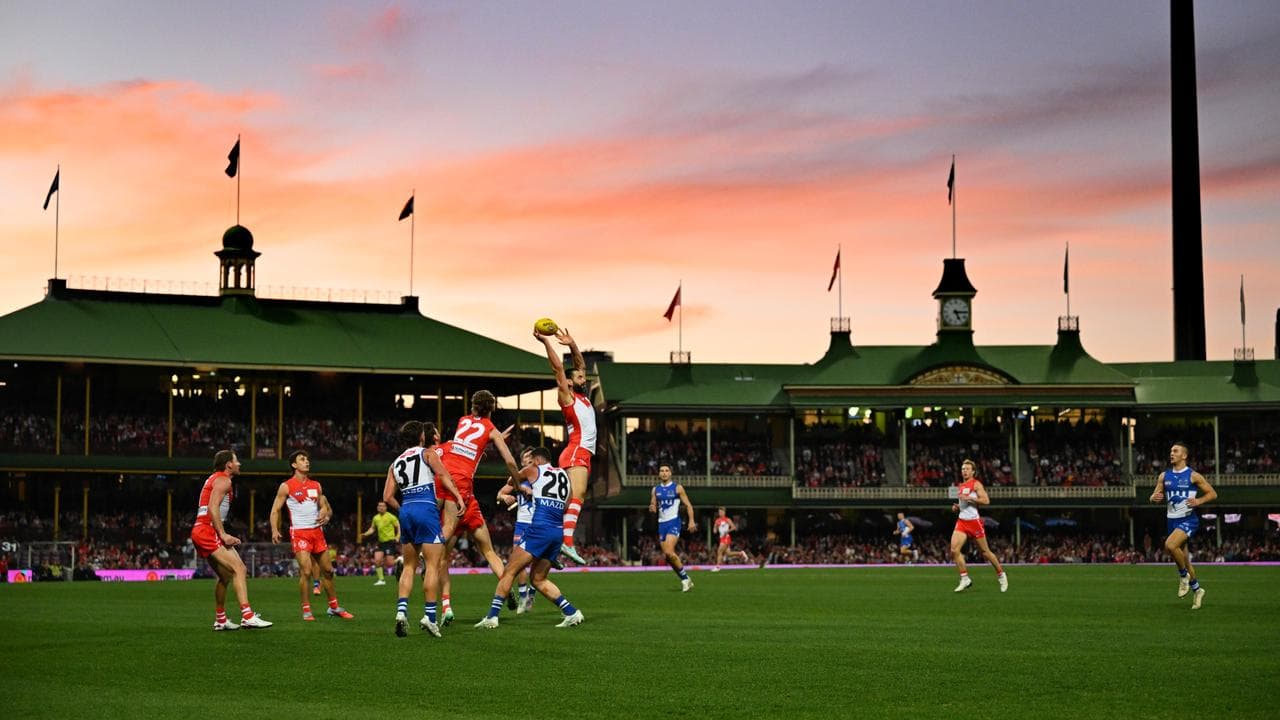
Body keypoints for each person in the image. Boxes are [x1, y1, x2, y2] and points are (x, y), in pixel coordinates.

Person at [433, 391, 522, 624]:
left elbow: (468, 444)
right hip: (465, 490)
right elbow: (510, 461)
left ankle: (446, 608)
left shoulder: (463, 421)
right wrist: (518, 484)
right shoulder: (490, 428)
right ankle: (506, 587)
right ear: (491, 409)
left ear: (472, 407)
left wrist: (495, 437)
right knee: (489, 551)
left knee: (443, 559)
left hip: (450, 485)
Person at [475, 446, 585, 629]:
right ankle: (572, 612)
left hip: (539, 529)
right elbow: (567, 504)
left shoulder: (533, 469)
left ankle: (492, 617)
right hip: (557, 532)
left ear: (537, 460)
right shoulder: (564, 476)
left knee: (509, 571)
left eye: (532, 461)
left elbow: (513, 479)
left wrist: (523, 486)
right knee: (539, 579)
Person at [384, 421, 463, 637]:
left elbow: (387, 497)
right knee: (432, 565)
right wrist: (457, 497)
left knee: (409, 566)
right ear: (421, 436)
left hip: (407, 510)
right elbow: (444, 477)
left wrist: (403, 509)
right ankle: (429, 617)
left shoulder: (395, 462)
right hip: (426, 508)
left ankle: (401, 612)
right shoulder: (427, 453)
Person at [189, 450, 271, 630]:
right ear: (228, 465)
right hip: (208, 530)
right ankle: (247, 616)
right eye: (237, 461)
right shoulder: (224, 480)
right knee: (240, 569)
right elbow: (213, 507)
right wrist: (223, 534)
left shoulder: (214, 479)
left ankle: (220, 619)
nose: (240, 464)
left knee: (225, 576)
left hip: (200, 529)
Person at [535, 328, 596, 564]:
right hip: (575, 451)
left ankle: (551, 548)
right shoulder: (567, 397)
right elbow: (558, 369)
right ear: (569, 382)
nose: (584, 378)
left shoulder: (583, 396)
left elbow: (578, 364)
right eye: (579, 377)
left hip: (582, 453)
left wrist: (573, 345)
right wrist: (546, 342)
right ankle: (567, 543)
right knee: (578, 495)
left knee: (567, 502)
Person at [269, 450, 353, 621]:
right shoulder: (286, 486)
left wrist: (325, 513)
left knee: (328, 571)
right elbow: (275, 510)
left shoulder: (316, 485)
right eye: (302, 459)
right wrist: (274, 530)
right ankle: (306, 610)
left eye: (307, 459)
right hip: (300, 533)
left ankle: (334, 607)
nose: (306, 461)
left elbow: (324, 505)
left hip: (317, 533)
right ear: (294, 465)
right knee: (306, 571)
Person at [1149, 441, 1217, 610]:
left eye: (1175, 451)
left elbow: (1212, 493)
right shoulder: (1164, 476)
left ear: (1184, 455)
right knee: (1185, 560)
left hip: (1188, 519)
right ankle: (1198, 590)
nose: (1171, 453)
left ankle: (1183, 577)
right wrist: (1153, 498)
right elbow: (1154, 495)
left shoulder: (1193, 475)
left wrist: (1199, 500)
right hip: (1171, 520)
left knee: (1169, 545)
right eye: (1171, 451)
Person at [950, 459, 1007, 593]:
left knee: (985, 552)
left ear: (973, 471)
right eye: (963, 469)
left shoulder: (976, 484)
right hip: (962, 521)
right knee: (954, 550)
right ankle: (965, 578)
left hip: (974, 523)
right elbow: (965, 505)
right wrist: (957, 507)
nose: (964, 471)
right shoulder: (961, 485)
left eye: (967, 469)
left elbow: (986, 500)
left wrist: (970, 498)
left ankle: (1001, 575)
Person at [497, 448, 538, 612]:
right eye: (526, 457)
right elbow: (499, 493)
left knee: (538, 563)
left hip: (539, 524)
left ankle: (532, 593)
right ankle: (523, 597)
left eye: (532, 457)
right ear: (521, 462)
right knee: (518, 561)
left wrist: (533, 492)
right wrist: (504, 496)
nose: (529, 459)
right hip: (522, 524)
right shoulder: (517, 479)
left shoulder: (542, 476)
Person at [649, 463, 697, 591]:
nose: (664, 473)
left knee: (670, 552)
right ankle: (685, 579)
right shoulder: (655, 490)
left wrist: (691, 521)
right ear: (659, 474)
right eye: (661, 471)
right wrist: (652, 507)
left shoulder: (677, 488)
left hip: (674, 522)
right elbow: (653, 503)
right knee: (668, 556)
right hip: (662, 524)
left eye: (666, 470)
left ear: (670, 473)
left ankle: (686, 580)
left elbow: (689, 505)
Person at [361, 501, 400, 586]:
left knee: (390, 563)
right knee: (377, 560)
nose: (381, 507)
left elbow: (398, 526)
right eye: (379, 506)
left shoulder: (391, 516)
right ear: (377, 508)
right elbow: (372, 529)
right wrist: (365, 534)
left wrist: (397, 536)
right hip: (381, 542)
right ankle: (381, 580)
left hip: (390, 541)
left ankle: (399, 560)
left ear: (386, 508)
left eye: (383, 506)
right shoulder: (376, 518)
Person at [711, 507, 750, 571]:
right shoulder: (717, 520)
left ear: (724, 512)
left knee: (719, 551)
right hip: (721, 538)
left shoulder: (727, 519)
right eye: (719, 512)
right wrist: (715, 529)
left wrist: (727, 531)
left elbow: (733, 527)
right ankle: (741, 553)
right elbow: (715, 528)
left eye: (721, 512)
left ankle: (717, 567)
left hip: (726, 537)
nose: (720, 513)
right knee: (728, 554)